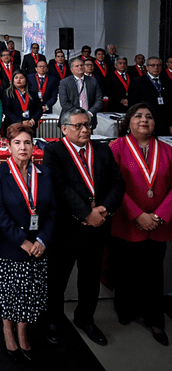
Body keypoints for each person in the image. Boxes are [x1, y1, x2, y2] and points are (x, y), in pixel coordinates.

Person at [42, 107, 125, 347]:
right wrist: (86, 213)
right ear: (64, 128)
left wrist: (103, 211)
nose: (85, 130)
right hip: (66, 228)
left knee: (90, 278)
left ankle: (85, 318)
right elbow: (59, 187)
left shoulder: (102, 150)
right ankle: (54, 320)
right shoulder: (54, 151)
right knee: (57, 279)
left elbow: (118, 183)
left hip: (98, 227)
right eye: (78, 126)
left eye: (87, 125)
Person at [0, 124, 55, 362]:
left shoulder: (44, 174)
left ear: (34, 146)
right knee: (9, 293)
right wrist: (23, 242)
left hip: (39, 246)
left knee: (30, 292)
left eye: (27, 142)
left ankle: (23, 330)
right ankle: (8, 329)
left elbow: (53, 211)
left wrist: (42, 240)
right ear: (8, 146)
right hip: (10, 245)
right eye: (17, 143)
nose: (23, 147)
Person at [108, 103, 171, 346]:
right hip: (126, 221)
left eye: (149, 117)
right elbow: (113, 185)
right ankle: (125, 310)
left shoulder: (167, 150)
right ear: (128, 121)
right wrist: (137, 215)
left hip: (158, 223)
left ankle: (155, 319)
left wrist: (159, 215)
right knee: (124, 270)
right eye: (138, 116)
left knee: (154, 273)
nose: (144, 120)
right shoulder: (116, 147)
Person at [128, 56, 172, 136]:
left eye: (158, 65)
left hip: (163, 123)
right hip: (145, 122)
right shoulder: (138, 81)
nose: (156, 67)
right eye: (152, 65)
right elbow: (133, 104)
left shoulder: (167, 81)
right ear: (147, 67)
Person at [58, 57, 103, 129]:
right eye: (77, 66)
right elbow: (64, 103)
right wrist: (78, 114)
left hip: (88, 119)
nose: (80, 67)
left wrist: (90, 113)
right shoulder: (64, 82)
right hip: (70, 120)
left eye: (82, 65)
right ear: (71, 70)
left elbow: (99, 100)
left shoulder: (93, 81)